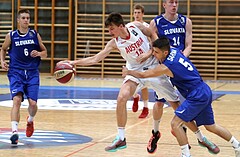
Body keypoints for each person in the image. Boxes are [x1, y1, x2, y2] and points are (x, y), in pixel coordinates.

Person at [58, 12, 182, 152]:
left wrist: (149, 53)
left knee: (176, 104)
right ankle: (121, 138)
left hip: (153, 68)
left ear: (121, 26)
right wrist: (72, 62)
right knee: (121, 97)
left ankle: (199, 136)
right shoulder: (114, 43)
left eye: (112, 28)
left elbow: (153, 35)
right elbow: (95, 59)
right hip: (134, 73)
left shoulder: (137, 26)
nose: (109, 32)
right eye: (108, 29)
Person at [122, 36, 240, 157]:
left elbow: (144, 74)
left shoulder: (166, 66)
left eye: (156, 52)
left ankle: (186, 154)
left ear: (165, 52)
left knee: (175, 124)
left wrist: (129, 71)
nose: (154, 55)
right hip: (204, 89)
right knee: (211, 126)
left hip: (196, 95)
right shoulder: (175, 50)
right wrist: (150, 52)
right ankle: (237, 145)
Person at [145, 0, 219, 155]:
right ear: (164, 4)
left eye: (176, 2)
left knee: (180, 106)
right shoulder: (156, 22)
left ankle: (198, 137)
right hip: (164, 67)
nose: (174, 5)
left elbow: (189, 45)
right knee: (159, 103)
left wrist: (179, 60)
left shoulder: (186, 21)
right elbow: (153, 45)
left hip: (178, 66)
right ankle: (155, 133)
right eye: (171, 2)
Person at [0, 9, 47, 145]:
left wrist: (38, 53)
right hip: (16, 72)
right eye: (24, 18)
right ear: (18, 20)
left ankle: (30, 120)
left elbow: (45, 52)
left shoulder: (34, 35)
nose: (26, 20)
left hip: (32, 73)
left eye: (28, 18)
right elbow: (3, 49)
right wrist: (2, 60)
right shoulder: (11, 35)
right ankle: (14, 132)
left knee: (33, 104)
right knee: (17, 100)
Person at [131, 3, 150, 118]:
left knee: (144, 84)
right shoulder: (130, 26)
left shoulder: (146, 26)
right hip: (133, 58)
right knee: (130, 82)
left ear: (142, 14)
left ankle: (146, 107)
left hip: (145, 57)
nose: (137, 14)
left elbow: (151, 39)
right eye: (135, 12)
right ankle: (135, 97)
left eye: (139, 12)